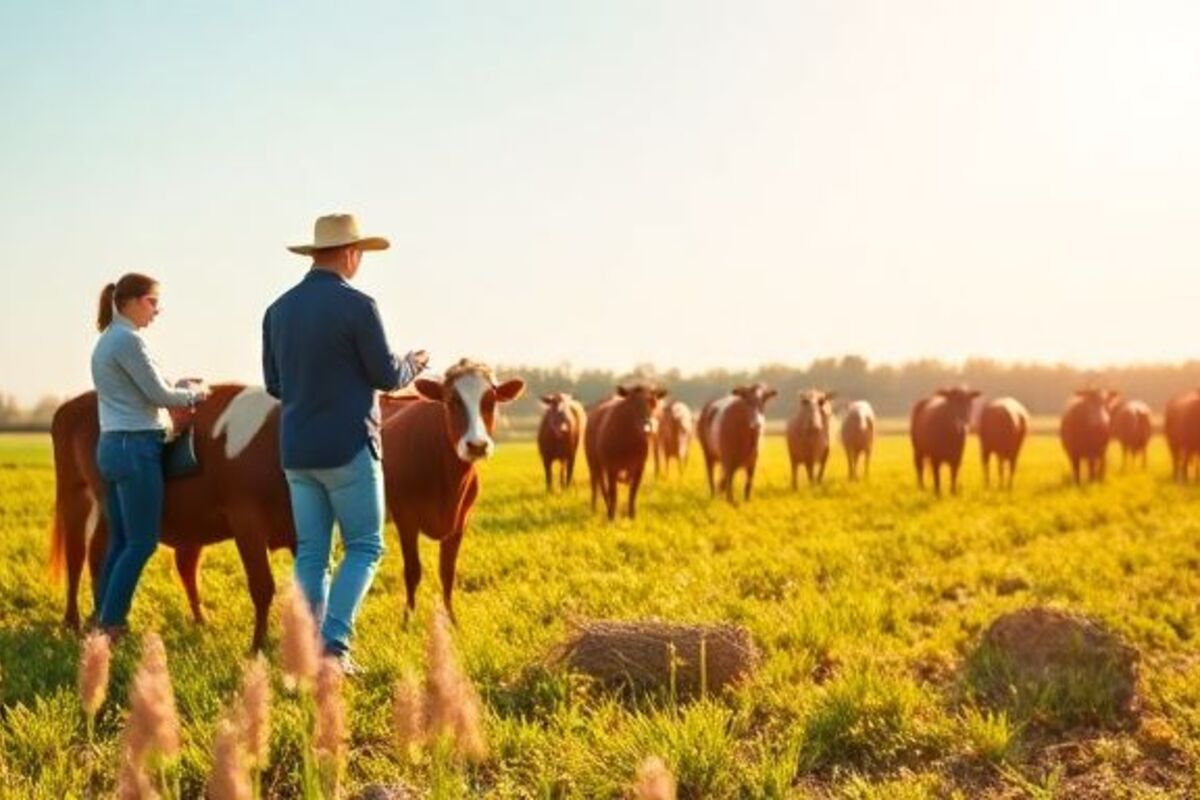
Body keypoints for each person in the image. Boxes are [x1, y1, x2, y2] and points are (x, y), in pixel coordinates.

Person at [262, 213, 428, 672]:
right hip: (349, 447)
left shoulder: (277, 310)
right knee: (365, 546)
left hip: (296, 450)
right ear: (351, 254)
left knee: (312, 551)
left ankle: (307, 645)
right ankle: (333, 646)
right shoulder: (360, 305)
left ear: (315, 254)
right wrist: (415, 362)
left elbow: (274, 384)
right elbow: (386, 375)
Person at [90, 273, 211, 638]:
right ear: (130, 301)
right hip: (136, 447)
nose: (158, 310)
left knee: (122, 539)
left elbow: (147, 390)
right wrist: (197, 393)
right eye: (153, 302)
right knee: (141, 542)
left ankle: (101, 617)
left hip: (113, 445)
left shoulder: (109, 340)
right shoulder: (129, 341)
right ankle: (112, 625)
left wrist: (174, 388)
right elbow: (159, 396)